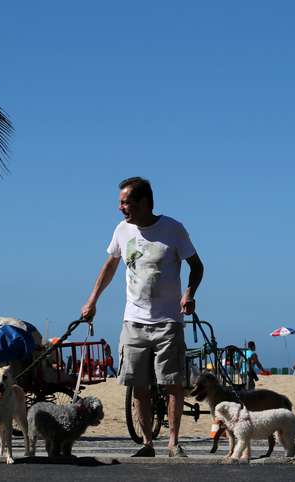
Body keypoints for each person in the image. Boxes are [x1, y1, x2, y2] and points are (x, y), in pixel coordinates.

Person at [80, 177, 204, 458]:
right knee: (138, 385)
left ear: (145, 202)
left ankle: (173, 442)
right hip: (133, 321)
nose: (121, 208)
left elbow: (197, 266)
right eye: (121, 202)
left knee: (172, 383)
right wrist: (92, 301)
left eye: (126, 202)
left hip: (168, 321)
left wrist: (189, 293)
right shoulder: (122, 230)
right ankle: (147, 443)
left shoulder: (173, 229)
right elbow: (110, 266)